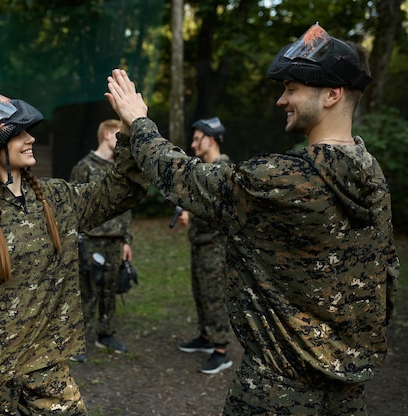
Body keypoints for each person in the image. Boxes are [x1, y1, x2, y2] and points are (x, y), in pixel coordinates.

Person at [105, 22, 399, 416]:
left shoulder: (283, 179)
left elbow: (186, 180)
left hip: (276, 394)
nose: (282, 99)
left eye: (292, 88)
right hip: (347, 393)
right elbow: (387, 279)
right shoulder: (371, 174)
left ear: (332, 94)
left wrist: (138, 121)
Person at [0, 91, 148, 416]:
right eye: (18, 133)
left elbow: (122, 191)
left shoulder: (58, 199)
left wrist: (130, 127)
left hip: (46, 364)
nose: (30, 138)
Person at [70, 119, 134, 360]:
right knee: (86, 291)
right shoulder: (84, 167)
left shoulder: (121, 168)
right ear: (108, 135)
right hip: (91, 239)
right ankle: (77, 342)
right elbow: (74, 205)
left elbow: (127, 206)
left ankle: (106, 334)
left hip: (116, 240)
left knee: (110, 289)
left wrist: (127, 240)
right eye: (120, 133)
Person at [175, 117, 233, 374]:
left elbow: (219, 211)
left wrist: (192, 213)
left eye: (197, 139)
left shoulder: (222, 169)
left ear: (210, 140)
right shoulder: (205, 169)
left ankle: (221, 351)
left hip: (215, 247)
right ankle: (206, 337)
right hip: (201, 244)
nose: (192, 143)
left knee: (214, 296)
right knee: (201, 292)